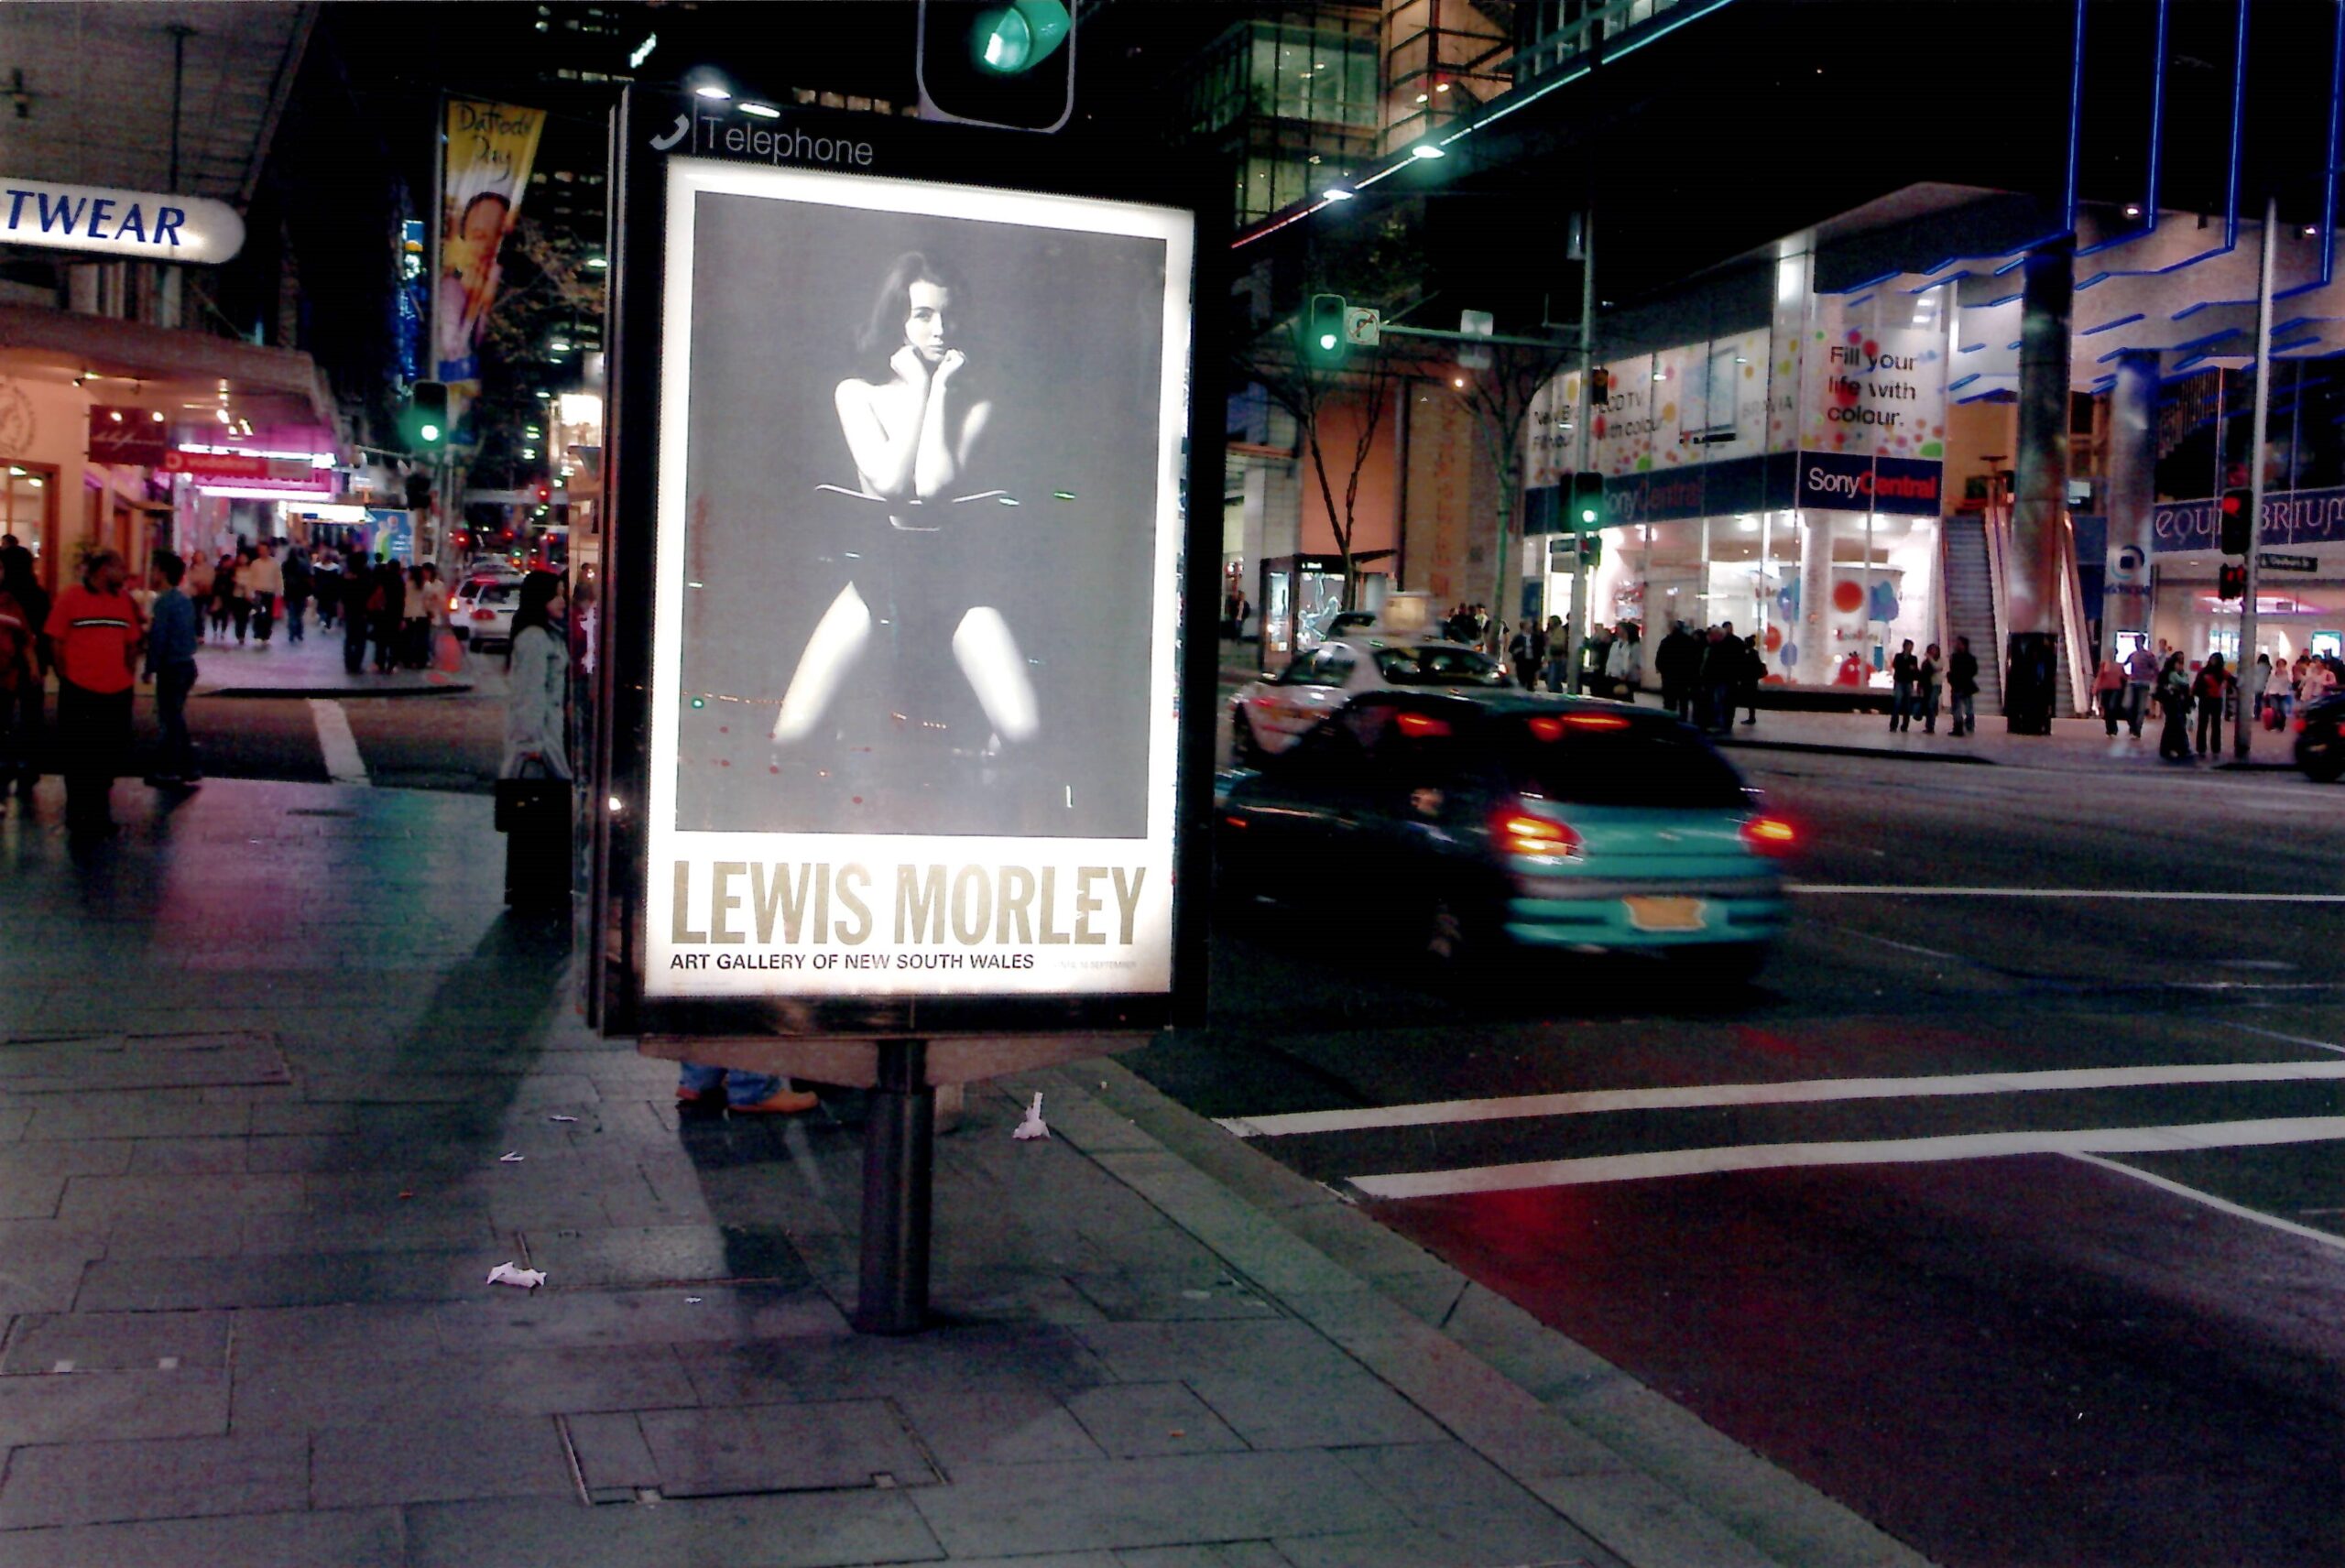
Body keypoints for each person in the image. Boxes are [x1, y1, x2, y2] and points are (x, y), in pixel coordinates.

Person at [769, 251, 1037, 761]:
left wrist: (936, 390)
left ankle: (985, 782)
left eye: (948, 314)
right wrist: (917, 388)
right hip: (877, 579)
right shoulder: (856, 394)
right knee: (792, 735)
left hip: (959, 586)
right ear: (898, 319)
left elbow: (933, 484)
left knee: (1023, 732)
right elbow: (890, 481)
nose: (939, 329)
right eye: (923, 314)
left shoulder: (977, 402)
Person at [45, 549, 144, 835]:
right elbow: (56, 640)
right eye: (120, 568)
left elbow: (132, 641)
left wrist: (127, 673)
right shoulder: (72, 597)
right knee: (79, 754)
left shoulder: (123, 601)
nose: (125, 574)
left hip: (116, 691)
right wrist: (66, 674)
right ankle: (78, 814)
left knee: (108, 754)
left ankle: (100, 814)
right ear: (103, 569)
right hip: (81, 689)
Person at [501, 571, 573, 914]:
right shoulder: (534, 639)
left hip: (546, 741)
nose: (562, 600)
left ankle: (534, 889)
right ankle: (533, 891)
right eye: (556, 595)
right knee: (536, 818)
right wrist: (533, 745)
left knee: (537, 821)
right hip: (538, 747)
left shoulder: (548, 635)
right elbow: (529, 696)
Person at [141, 550, 201, 788]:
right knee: (174, 717)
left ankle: (170, 768)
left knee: (169, 718)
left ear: (162, 573)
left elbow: (159, 638)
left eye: (154, 569)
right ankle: (186, 766)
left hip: (172, 667)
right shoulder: (184, 600)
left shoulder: (163, 602)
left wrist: (149, 668)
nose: (152, 573)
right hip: (186, 664)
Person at [0, 544, 49, 806]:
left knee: (4, 716)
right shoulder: (38, 595)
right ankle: (29, 768)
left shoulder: (6, 596)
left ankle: (6, 765)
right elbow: (44, 631)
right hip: (33, 661)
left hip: (6, 665)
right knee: (31, 717)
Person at [2155, 650, 2194, 762]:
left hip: (2178, 703)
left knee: (2174, 725)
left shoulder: (2180, 673)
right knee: (2175, 725)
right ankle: (2180, 748)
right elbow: (2180, 684)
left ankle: (2173, 748)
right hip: (2172, 702)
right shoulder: (2170, 674)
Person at [2192, 653, 2230, 757]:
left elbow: (2232, 680)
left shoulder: (2210, 672)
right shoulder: (2219, 673)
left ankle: (2211, 748)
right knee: (2205, 724)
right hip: (2209, 699)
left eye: (2215, 660)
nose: (2213, 662)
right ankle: (2204, 748)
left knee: (2214, 725)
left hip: (2212, 700)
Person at [246, 540, 283, 645]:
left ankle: (266, 634)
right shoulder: (255, 563)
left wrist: (279, 591)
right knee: (257, 614)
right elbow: (250, 578)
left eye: (264, 549)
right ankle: (257, 634)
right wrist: (249, 591)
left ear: (269, 550)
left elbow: (278, 578)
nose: (262, 552)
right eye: (260, 550)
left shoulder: (275, 564)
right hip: (258, 592)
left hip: (270, 592)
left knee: (268, 615)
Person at [2123, 641, 2159, 738]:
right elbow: (2125, 663)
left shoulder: (2148, 655)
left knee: (2139, 708)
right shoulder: (2134, 655)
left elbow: (2156, 669)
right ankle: (2133, 727)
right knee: (2130, 706)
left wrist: (2153, 680)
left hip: (2143, 683)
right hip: (2135, 682)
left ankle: (2136, 730)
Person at [1948, 635, 1980, 738]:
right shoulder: (1968, 658)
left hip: (1961, 685)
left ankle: (1959, 728)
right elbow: (1973, 671)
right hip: (1964, 685)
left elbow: (1972, 671)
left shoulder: (1957, 657)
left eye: (1959, 643)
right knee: (1965, 707)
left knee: (1962, 708)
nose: (1957, 645)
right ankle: (1966, 726)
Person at [1606, 620, 1643, 704]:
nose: (1618, 632)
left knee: (1624, 696)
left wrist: (1625, 672)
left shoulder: (1633, 646)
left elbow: (1632, 661)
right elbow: (1611, 658)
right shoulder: (1616, 644)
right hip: (1614, 673)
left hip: (1626, 676)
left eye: (1620, 630)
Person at [281, 546, 311, 646]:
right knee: (298, 615)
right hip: (300, 593)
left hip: (290, 593)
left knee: (292, 614)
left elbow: (283, 579)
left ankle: (292, 632)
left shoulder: (285, 565)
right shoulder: (303, 564)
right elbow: (308, 579)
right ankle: (298, 632)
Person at [2091, 650, 2125, 736]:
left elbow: (2123, 676)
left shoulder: (2119, 665)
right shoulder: (2104, 665)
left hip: (2115, 688)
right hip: (2106, 688)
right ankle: (2110, 729)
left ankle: (2113, 728)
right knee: (2107, 708)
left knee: (2111, 707)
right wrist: (2095, 687)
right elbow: (2100, 676)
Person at [1889, 638, 1918, 732]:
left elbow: (1914, 669)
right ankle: (1893, 725)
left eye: (1911, 646)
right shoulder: (1898, 656)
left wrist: (1908, 668)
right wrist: (1908, 667)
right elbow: (1896, 666)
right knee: (1897, 703)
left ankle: (1905, 726)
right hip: (1899, 681)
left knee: (1907, 705)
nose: (1910, 648)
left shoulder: (1913, 658)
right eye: (1909, 646)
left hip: (1908, 682)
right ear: (1904, 646)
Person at [1916, 642, 1943, 735]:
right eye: (1931, 650)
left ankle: (1931, 726)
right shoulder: (1925, 663)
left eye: (1934, 650)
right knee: (1928, 705)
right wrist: (1919, 686)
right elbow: (1922, 675)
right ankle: (1929, 726)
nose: (1933, 652)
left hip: (1935, 685)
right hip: (1927, 686)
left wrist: (1930, 658)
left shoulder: (1940, 660)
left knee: (1931, 705)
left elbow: (1936, 667)